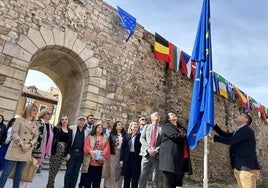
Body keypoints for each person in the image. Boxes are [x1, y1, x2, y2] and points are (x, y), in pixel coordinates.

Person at [210, 112, 260, 188]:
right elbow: (226, 135)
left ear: (246, 120)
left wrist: (215, 138)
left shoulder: (246, 130)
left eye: (240, 115)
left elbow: (231, 140)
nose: (237, 115)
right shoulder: (240, 131)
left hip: (247, 169)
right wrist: (214, 126)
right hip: (240, 168)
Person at [0, 104, 39, 188]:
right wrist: (21, 144)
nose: (36, 112)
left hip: (26, 151)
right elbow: (14, 133)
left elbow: (36, 137)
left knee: (18, 174)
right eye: (34, 110)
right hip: (16, 149)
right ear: (28, 110)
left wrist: (29, 144)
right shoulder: (19, 120)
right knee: (6, 172)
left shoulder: (35, 124)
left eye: (37, 110)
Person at [159, 112, 192, 188]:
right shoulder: (166, 126)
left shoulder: (181, 128)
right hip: (170, 161)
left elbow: (187, 138)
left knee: (178, 184)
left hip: (181, 159)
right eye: (172, 114)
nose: (174, 114)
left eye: (174, 114)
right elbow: (175, 136)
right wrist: (188, 135)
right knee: (169, 184)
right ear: (168, 118)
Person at [46, 115, 72, 188]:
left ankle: (50, 184)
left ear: (68, 121)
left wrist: (68, 153)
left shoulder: (70, 131)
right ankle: (50, 185)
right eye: (62, 119)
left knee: (57, 168)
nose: (64, 121)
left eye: (66, 119)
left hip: (63, 152)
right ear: (60, 121)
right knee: (52, 168)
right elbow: (52, 139)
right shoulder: (56, 129)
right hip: (55, 150)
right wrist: (49, 150)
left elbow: (69, 143)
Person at [81, 123, 110, 188]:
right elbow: (86, 146)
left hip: (99, 163)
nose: (100, 129)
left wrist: (102, 156)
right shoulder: (90, 137)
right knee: (87, 182)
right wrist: (90, 151)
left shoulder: (105, 138)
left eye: (101, 128)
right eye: (98, 127)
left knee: (96, 182)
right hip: (89, 163)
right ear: (95, 128)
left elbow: (107, 148)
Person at [64, 115, 89, 188]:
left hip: (81, 154)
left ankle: (72, 186)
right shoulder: (71, 128)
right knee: (69, 171)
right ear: (77, 121)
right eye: (80, 120)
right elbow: (68, 142)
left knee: (76, 172)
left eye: (83, 120)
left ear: (85, 122)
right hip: (72, 152)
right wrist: (67, 153)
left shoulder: (87, 131)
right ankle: (66, 186)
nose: (81, 121)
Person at [139, 112, 162, 188]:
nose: (158, 116)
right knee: (143, 177)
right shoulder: (146, 127)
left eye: (158, 115)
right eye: (156, 115)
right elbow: (142, 138)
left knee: (155, 179)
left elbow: (164, 142)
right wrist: (148, 149)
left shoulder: (162, 129)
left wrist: (156, 150)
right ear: (152, 118)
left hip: (157, 156)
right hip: (146, 155)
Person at [120, 121, 142, 188]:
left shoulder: (140, 136)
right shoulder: (126, 135)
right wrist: (121, 159)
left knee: (135, 178)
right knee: (127, 177)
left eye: (136, 125)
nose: (136, 125)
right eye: (134, 125)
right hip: (127, 158)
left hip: (136, 158)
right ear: (131, 127)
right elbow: (122, 148)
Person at [104, 121, 125, 188]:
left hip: (121, 153)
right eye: (119, 124)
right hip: (113, 153)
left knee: (119, 170)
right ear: (115, 127)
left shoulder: (125, 135)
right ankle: (109, 185)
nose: (120, 125)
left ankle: (117, 186)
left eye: (121, 124)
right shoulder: (112, 134)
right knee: (112, 170)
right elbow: (108, 144)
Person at [33, 108, 54, 173]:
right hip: (37, 147)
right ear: (43, 114)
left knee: (36, 166)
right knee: (32, 165)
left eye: (51, 114)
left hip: (45, 148)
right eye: (48, 113)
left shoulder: (50, 125)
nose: (50, 115)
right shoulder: (38, 122)